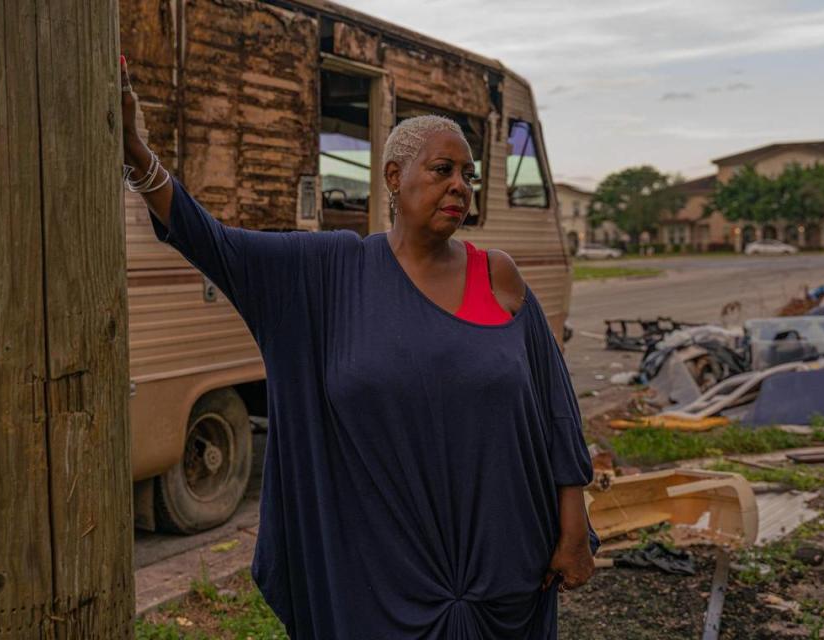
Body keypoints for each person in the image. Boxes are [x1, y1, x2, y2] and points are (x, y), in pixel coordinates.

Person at [120, 56, 596, 639]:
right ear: (394, 177)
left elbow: (555, 408)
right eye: (443, 169)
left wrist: (573, 528)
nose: (459, 187)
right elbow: (209, 240)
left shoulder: (498, 277)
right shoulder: (327, 273)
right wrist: (138, 154)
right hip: (382, 578)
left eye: (468, 176)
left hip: (507, 567)